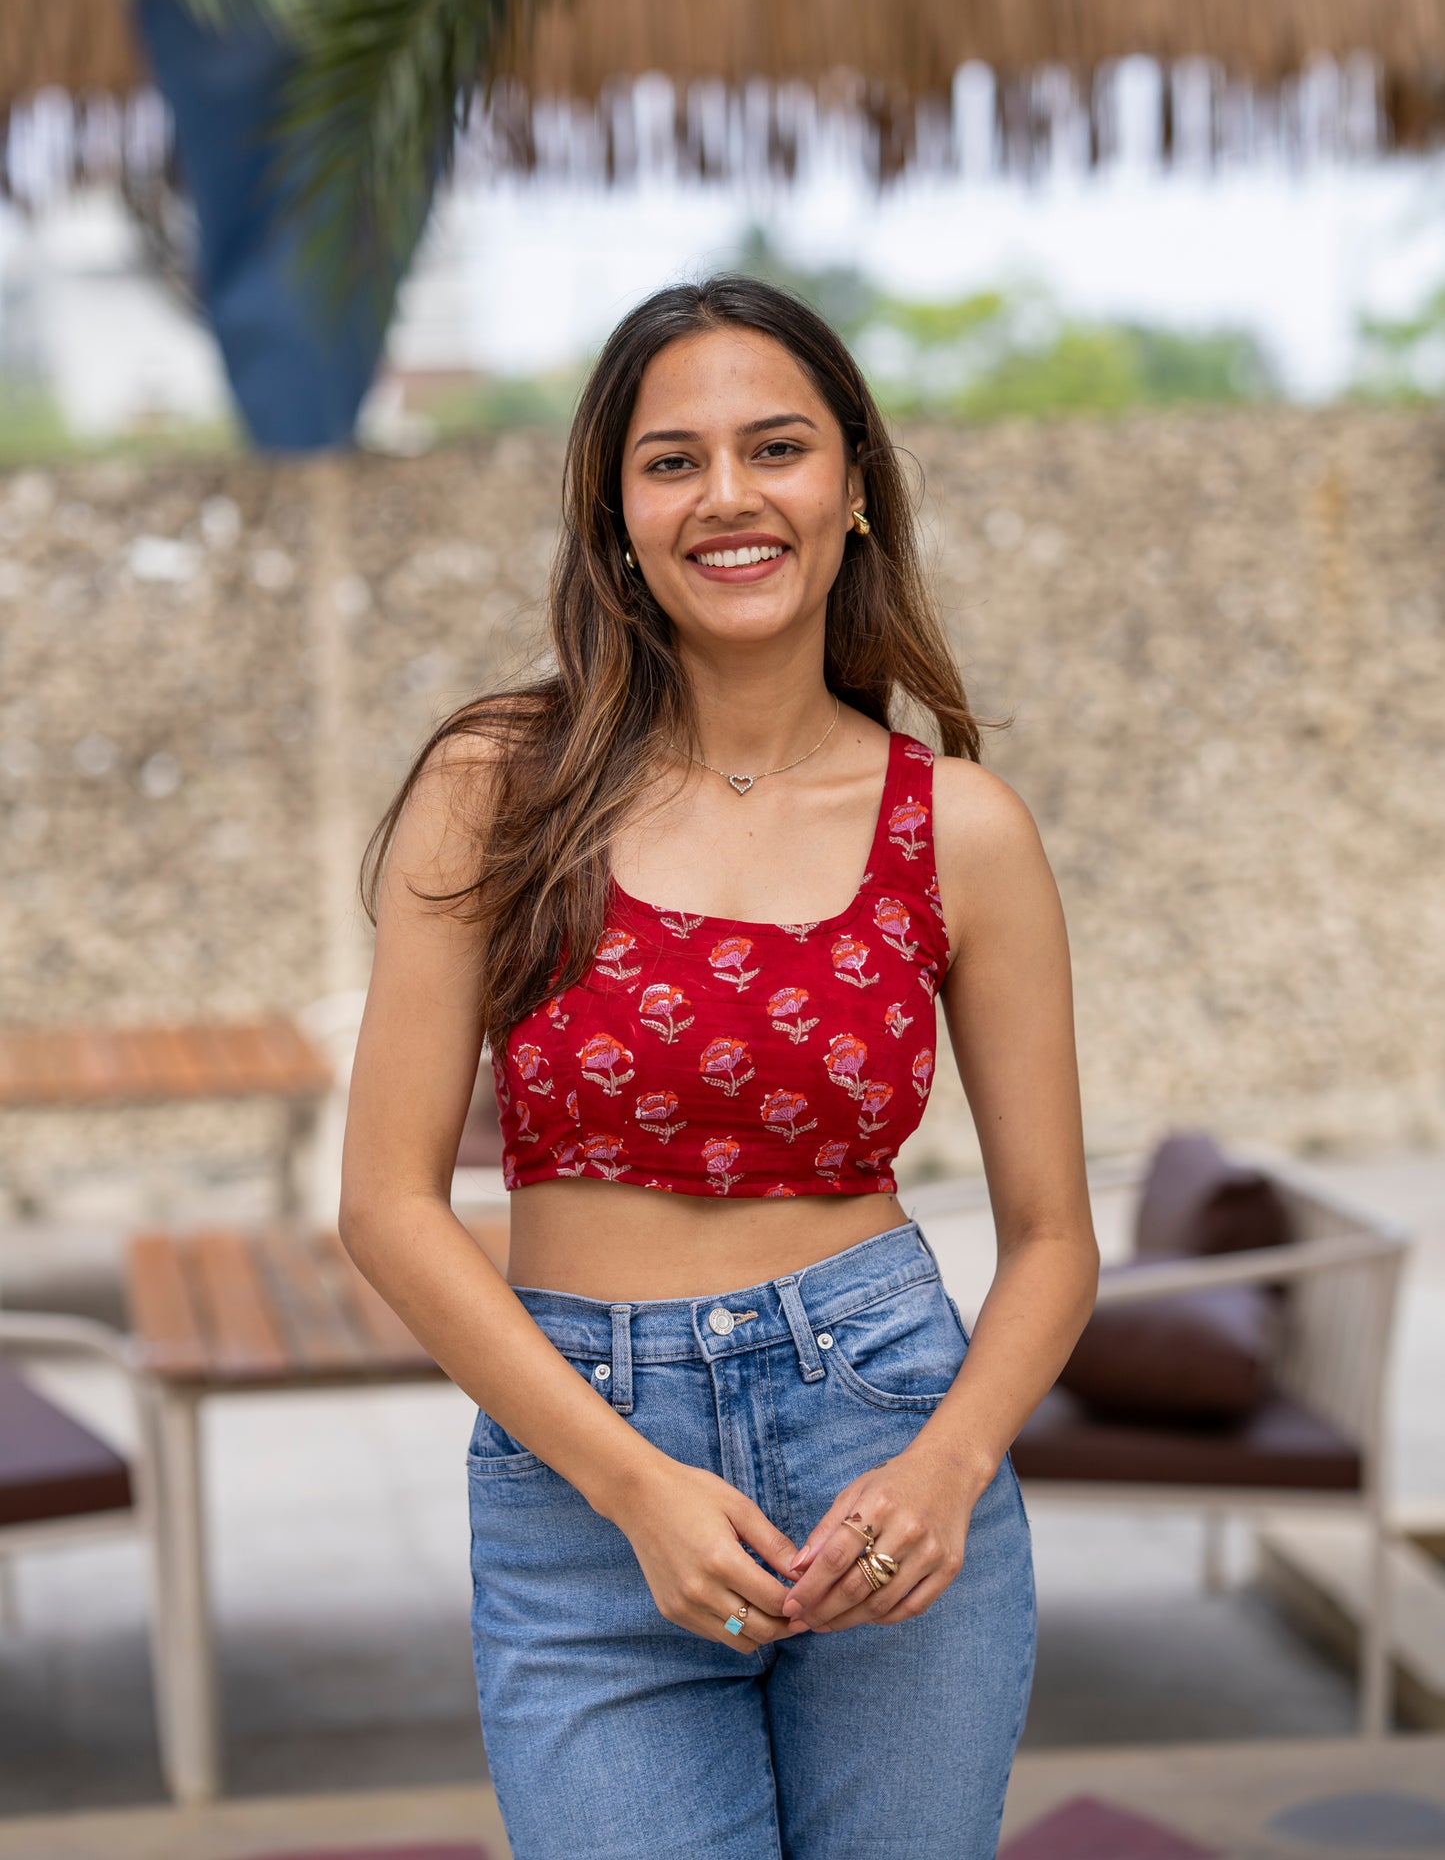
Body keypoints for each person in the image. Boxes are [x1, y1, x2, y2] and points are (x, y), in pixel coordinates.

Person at [340, 275, 1098, 1860]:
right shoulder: (500, 786)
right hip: (579, 1463)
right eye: (671, 461)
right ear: (614, 516)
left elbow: (1051, 1237)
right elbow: (388, 1207)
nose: (730, 497)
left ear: (854, 492)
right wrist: (628, 1484)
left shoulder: (959, 828)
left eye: (777, 448)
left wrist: (949, 1467)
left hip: (879, 1439)